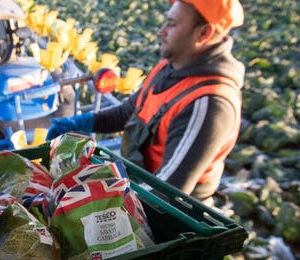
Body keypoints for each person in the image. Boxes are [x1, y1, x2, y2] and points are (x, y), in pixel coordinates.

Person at [47, 0, 245, 204]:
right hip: (136, 179)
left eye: (172, 24)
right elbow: (130, 112)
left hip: (169, 212)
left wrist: (99, 202)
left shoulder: (209, 103)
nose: (161, 31)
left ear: (204, 34)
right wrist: (77, 124)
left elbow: (168, 190)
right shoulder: (170, 67)